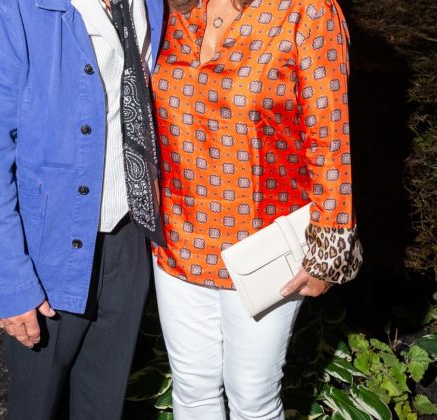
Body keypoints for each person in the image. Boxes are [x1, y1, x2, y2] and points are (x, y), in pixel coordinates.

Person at [151, 0, 363, 418]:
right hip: (178, 237)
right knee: (191, 388)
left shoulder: (308, 11)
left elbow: (330, 138)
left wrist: (327, 251)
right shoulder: (171, 8)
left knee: (252, 398)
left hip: (264, 246)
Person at [0, 0, 165, 418]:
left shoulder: (151, 4)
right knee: (37, 407)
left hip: (128, 239)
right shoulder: (13, 9)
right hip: (50, 251)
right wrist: (10, 281)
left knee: (103, 406)